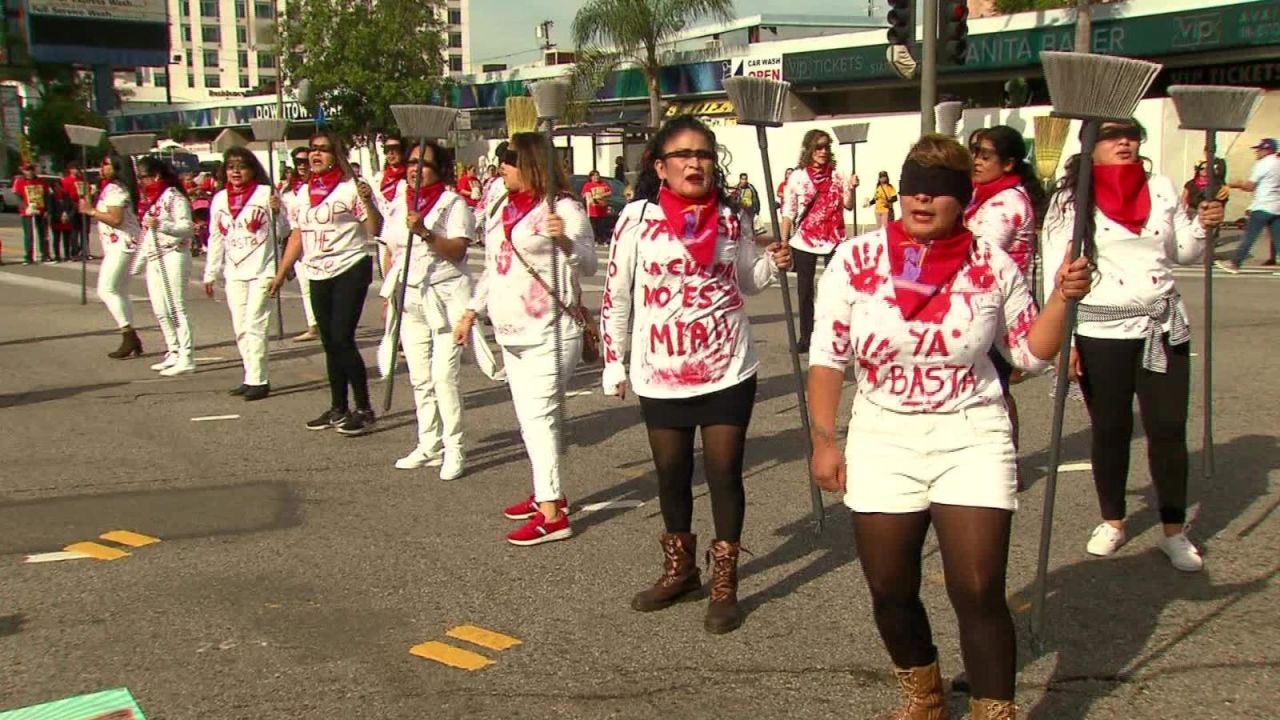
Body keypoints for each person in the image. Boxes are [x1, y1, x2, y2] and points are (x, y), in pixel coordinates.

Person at [808, 133, 1093, 720]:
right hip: (884, 435)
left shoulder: (989, 263)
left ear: (961, 200)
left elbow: (1029, 354)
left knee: (978, 583)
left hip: (972, 433)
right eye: (912, 187)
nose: (920, 200)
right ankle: (924, 693)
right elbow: (828, 355)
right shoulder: (856, 260)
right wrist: (824, 439)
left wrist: (1063, 300)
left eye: (937, 192)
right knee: (889, 587)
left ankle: (995, 710)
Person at [600, 115, 791, 634]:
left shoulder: (732, 218)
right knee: (672, 473)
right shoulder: (636, 219)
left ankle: (726, 582)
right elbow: (617, 294)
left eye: (704, 155)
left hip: (728, 365)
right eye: (682, 155)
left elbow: (749, 281)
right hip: (660, 369)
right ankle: (681, 570)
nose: (694, 163)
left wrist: (775, 259)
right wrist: (613, 360)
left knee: (725, 473)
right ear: (660, 167)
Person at [1043, 119, 1224, 572]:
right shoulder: (1072, 197)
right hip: (1101, 331)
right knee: (1111, 429)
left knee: (1167, 427)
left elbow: (1182, 251)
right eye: (1111, 135)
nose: (1124, 142)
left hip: (1163, 326)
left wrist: (1204, 226)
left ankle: (1173, 531)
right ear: (1091, 145)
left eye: (1131, 134)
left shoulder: (1160, 187)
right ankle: (1113, 520)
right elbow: (1055, 272)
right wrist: (1067, 343)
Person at [453, 131, 597, 546]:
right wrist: (470, 311)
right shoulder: (502, 205)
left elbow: (587, 263)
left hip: (552, 329)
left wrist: (563, 240)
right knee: (528, 419)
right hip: (510, 328)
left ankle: (552, 512)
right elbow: (496, 267)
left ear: (533, 163)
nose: (502, 166)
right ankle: (546, 491)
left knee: (540, 418)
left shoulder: (564, 207)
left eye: (510, 159)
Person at [268, 130, 383, 435]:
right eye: (312, 149)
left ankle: (364, 408)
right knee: (329, 341)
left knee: (343, 338)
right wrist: (281, 274)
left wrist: (368, 202)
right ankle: (338, 407)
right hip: (316, 271)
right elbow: (297, 236)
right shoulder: (299, 195)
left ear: (337, 155)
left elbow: (374, 228)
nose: (316, 155)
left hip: (350, 266)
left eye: (324, 149)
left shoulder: (350, 189)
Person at [382, 141, 474, 479]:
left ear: (440, 171)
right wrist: (389, 297)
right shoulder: (398, 202)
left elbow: (458, 252)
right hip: (411, 298)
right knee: (420, 378)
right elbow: (389, 249)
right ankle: (429, 443)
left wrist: (423, 231)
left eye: (424, 165)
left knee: (443, 377)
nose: (414, 169)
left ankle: (455, 447)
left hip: (447, 298)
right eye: (410, 163)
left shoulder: (453, 205)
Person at [966, 125, 1047, 489]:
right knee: (988, 388)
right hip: (980, 304)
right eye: (974, 153)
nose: (976, 161)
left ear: (1009, 162)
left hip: (997, 311)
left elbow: (978, 253)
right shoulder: (984, 195)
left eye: (985, 155)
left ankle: (1006, 463)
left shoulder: (1006, 202)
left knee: (995, 390)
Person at [202, 146, 288, 402]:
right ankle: (249, 375)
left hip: (263, 270)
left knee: (255, 323)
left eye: (241, 166)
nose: (236, 171)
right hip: (234, 271)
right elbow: (216, 236)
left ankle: (259, 380)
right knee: (240, 326)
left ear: (252, 169)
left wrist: (277, 212)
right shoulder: (219, 199)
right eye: (231, 166)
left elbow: (284, 230)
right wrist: (210, 272)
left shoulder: (265, 193)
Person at [781, 129, 859, 353]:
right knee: (805, 292)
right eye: (818, 147)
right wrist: (784, 242)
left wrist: (851, 188)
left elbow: (848, 205)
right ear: (809, 150)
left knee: (836, 291)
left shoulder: (838, 174)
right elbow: (789, 211)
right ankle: (806, 337)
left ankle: (837, 335)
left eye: (826, 146)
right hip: (804, 240)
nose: (823, 151)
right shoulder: (798, 177)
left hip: (834, 240)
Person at [135, 156, 197, 376]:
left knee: (176, 307)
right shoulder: (149, 201)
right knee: (160, 309)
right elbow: (146, 234)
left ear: (156, 175)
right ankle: (173, 350)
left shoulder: (173, 197)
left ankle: (187, 355)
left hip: (174, 253)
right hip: (154, 257)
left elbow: (187, 227)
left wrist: (162, 224)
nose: (141, 181)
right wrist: (138, 262)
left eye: (143, 176)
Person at [81, 154, 144, 359]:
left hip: (122, 243)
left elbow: (115, 219)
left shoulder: (115, 189)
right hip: (122, 243)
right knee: (119, 290)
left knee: (106, 289)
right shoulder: (112, 188)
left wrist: (90, 211)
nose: (102, 167)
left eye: (107, 164)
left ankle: (128, 333)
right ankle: (130, 335)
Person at [1218, 137, 1280, 273]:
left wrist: (1232, 185)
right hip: (1276, 206)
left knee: (1250, 236)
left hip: (1262, 205)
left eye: (1259, 149)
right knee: (1277, 237)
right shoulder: (1278, 163)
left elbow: (1250, 185)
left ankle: (1235, 263)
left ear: (1267, 150)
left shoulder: (1263, 164)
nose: (1256, 152)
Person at [282, 146, 321, 342]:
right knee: (305, 286)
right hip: (296, 241)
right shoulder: (288, 191)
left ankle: (320, 322)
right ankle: (313, 324)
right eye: (298, 162)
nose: (302, 166)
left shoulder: (318, 187)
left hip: (315, 240)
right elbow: (283, 221)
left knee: (317, 285)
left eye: (305, 162)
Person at [14, 163, 51, 264]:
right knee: (29, 235)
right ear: (23, 171)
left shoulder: (42, 181)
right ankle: (28, 256)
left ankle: (45, 255)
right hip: (27, 213)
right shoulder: (20, 182)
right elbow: (18, 197)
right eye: (27, 170)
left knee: (43, 234)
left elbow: (47, 196)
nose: (29, 172)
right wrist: (26, 207)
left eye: (31, 170)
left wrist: (47, 210)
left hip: (41, 211)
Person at [61, 161, 88, 260]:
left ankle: (84, 251)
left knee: (84, 231)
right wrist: (67, 209)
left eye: (78, 168)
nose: (77, 170)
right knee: (74, 231)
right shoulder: (66, 181)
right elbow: (65, 196)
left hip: (83, 206)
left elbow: (87, 192)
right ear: (70, 170)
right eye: (74, 168)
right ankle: (74, 252)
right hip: (73, 207)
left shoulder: (82, 180)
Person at [581, 169, 613, 245]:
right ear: (591, 177)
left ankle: (602, 239)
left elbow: (610, 192)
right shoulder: (588, 185)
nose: (596, 177)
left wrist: (602, 195)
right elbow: (583, 194)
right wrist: (588, 195)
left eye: (597, 175)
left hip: (602, 209)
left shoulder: (603, 184)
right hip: (593, 210)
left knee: (601, 226)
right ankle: (594, 240)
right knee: (593, 226)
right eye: (594, 175)